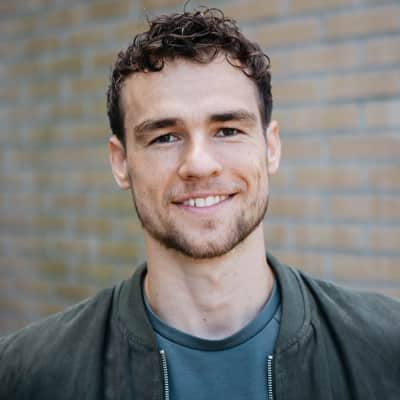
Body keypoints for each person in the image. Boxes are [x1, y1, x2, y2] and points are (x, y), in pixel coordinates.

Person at [1, 7, 399, 400]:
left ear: (271, 147)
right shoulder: (26, 374)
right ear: (121, 163)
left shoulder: (386, 349)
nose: (199, 164)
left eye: (227, 130)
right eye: (165, 137)